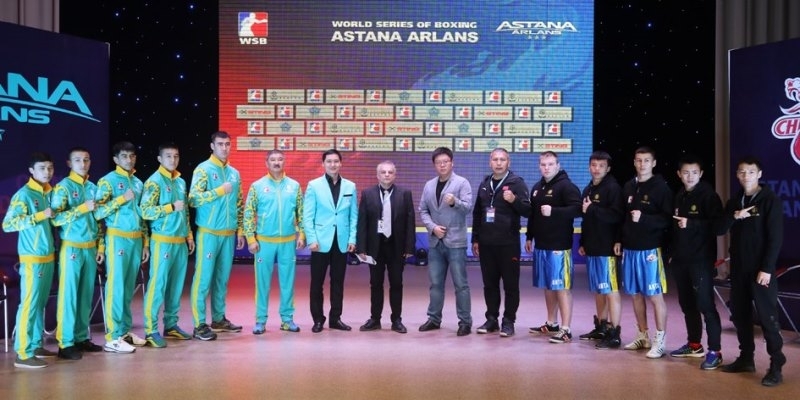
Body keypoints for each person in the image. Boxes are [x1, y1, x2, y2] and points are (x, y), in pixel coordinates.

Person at [719, 156, 785, 387]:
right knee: (740, 315)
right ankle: (746, 358)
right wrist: (734, 215)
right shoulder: (735, 201)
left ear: (759, 174)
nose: (745, 176)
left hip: (761, 271)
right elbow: (719, 228)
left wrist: (767, 269)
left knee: (767, 318)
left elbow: (775, 238)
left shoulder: (770, 200)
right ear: (737, 175)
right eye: (741, 172)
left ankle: (776, 364)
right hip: (739, 269)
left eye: (750, 172)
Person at [668, 155, 725, 369]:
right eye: (686, 172)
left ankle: (715, 351)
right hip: (681, 261)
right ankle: (694, 345)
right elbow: (674, 228)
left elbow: (718, 226)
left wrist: (691, 223)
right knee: (687, 305)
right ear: (679, 174)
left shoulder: (708, 196)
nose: (690, 176)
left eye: (694, 172)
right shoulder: (680, 195)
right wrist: (672, 253)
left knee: (705, 305)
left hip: (700, 261)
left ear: (700, 174)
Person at [188, 131, 245, 341]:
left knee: (222, 279)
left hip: (228, 234)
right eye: (220, 144)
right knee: (203, 279)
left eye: (227, 144)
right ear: (212, 146)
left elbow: (239, 203)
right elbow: (193, 199)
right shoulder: (203, 169)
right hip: (209, 233)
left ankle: (219, 319)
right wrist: (219, 191)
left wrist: (240, 230)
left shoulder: (234, 173)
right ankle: (199, 324)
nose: (224, 148)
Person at [94, 141, 150, 353]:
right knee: (116, 287)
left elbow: (142, 216)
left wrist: (145, 242)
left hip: (136, 240)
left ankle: (124, 332)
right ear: (116, 159)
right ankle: (113, 337)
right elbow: (97, 213)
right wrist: (120, 199)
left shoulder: (138, 183)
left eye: (132, 156)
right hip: (117, 238)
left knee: (127, 288)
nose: (129, 160)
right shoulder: (107, 181)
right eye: (124, 156)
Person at [50, 147, 105, 360]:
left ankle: (81, 337)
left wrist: (100, 247)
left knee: (85, 295)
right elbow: (56, 219)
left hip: (90, 248)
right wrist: (82, 208)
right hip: (71, 247)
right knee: (69, 295)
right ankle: (65, 343)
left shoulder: (93, 187)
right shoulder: (63, 187)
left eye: (86, 160)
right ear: (69, 163)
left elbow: (99, 221)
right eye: (78, 160)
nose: (83, 164)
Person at [3, 152, 57, 368]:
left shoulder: (48, 193)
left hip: (48, 256)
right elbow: (8, 224)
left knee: (40, 303)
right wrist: (40, 215)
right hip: (32, 259)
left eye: (50, 168)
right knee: (30, 303)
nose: (47, 172)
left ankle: (35, 345)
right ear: (32, 171)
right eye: (42, 168)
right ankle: (23, 353)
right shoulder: (23, 195)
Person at [139, 143, 195, 348]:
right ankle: (150, 329)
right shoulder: (154, 182)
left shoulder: (180, 182)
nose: (173, 160)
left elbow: (185, 211)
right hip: (162, 240)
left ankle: (171, 325)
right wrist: (170, 207)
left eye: (176, 156)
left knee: (176, 286)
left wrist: (189, 235)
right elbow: (145, 211)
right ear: (160, 159)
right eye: (168, 156)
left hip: (179, 241)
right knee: (158, 285)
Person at [243, 150, 305, 334]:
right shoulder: (257, 186)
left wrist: (302, 235)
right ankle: (260, 320)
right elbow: (248, 213)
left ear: (284, 162)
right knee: (262, 283)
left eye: (280, 159)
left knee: (288, 282)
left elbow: (301, 213)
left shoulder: (294, 186)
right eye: (273, 160)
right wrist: (251, 238)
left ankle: (287, 319)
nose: (277, 162)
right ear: (267, 163)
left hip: (287, 242)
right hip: (264, 242)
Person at [619, 146, 673, 359]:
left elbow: (668, 220)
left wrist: (644, 218)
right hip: (630, 249)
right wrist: (619, 240)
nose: (642, 164)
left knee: (654, 295)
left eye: (647, 160)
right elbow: (623, 217)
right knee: (635, 295)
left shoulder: (661, 188)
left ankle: (660, 340)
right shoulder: (628, 186)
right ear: (634, 162)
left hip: (650, 250)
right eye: (639, 160)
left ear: (654, 163)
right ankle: (643, 335)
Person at [471, 148, 531, 338]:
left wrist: (514, 200)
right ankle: (491, 320)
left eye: (502, 159)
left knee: (510, 286)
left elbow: (528, 210)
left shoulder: (517, 183)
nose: (498, 163)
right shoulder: (484, 184)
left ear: (508, 162)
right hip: (486, 244)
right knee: (489, 285)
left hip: (508, 244)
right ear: (490, 162)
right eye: (495, 159)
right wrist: (475, 238)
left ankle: (508, 321)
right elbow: (478, 213)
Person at [525, 151, 581, 344]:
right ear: (539, 166)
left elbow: (578, 209)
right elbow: (533, 215)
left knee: (561, 287)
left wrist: (554, 211)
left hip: (559, 246)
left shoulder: (567, 186)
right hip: (542, 244)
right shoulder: (537, 187)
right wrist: (529, 236)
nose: (546, 168)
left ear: (558, 165)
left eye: (550, 164)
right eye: (543, 164)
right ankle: (552, 323)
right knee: (549, 286)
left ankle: (566, 329)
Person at [418, 147, 474, 336]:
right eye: (438, 162)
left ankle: (465, 322)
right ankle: (434, 319)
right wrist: (432, 227)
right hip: (435, 242)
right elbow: (423, 210)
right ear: (434, 165)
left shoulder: (462, 183)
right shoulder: (429, 185)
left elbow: (468, 208)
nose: (442, 165)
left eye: (445, 162)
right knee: (435, 284)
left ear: (452, 163)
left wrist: (454, 202)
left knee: (461, 285)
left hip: (456, 242)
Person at [356, 161, 416, 334]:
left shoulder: (405, 194)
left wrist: (409, 247)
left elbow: (410, 221)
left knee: (396, 283)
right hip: (375, 248)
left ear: (395, 175)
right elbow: (362, 222)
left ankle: (396, 320)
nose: (387, 175)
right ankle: (375, 319)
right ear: (378, 175)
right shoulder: (368, 194)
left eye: (390, 172)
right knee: (375, 284)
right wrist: (361, 247)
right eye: (383, 172)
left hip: (397, 248)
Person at [303, 149, 358, 333]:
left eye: (336, 161)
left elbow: (353, 216)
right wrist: (311, 239)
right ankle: (318, 319)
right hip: (320, 242)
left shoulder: (350, 186)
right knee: (316, 283)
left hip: (341, 242)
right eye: (329, 161)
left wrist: (352, 238)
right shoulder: (314, 185)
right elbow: (307, 216)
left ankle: (335, 319)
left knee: (338, 282)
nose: (333, 165)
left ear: (341, 163)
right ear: (323, 164)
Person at [576, 151, 625, 349]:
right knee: (599, 288)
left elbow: (617, 216)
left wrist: (618, 240)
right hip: (593, 246)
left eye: (601, 166)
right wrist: (582, 242)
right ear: (589, 166)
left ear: (608, 168)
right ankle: (601, 327)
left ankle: (614, 333)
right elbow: (586, 219)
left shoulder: (613, 188)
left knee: (611, 290)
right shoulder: (588, 188)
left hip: (608, 248)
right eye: (594, 165)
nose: (597, 169)